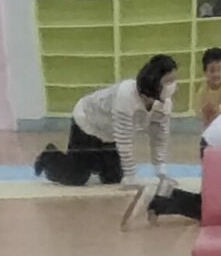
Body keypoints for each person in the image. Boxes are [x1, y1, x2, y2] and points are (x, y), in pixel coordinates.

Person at [34, 54, 176, 190]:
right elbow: (124, 140)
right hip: (87, 122)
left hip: (109, 134)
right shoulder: (126, 96)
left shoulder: (164, 105)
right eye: (168, 81)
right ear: (154, 81)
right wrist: (131, 176)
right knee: (76, 177)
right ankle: (49, 156)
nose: (174, 85)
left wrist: (161, 173)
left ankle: (95, 160)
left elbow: (160, 138)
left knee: (113, 177)